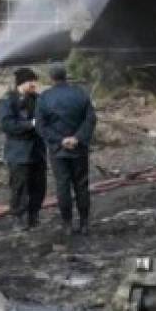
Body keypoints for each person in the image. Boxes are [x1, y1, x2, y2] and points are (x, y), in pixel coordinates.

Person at [35, 63, 97, 235]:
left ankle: (67, 224)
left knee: (62, 186)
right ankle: (84, 223)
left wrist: (60, 140)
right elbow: (91, 119)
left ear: (51, 77)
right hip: (79, 148)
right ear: (66, 75)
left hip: (57, 150)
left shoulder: (45, 98)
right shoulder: (80, 93)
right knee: (82, 185)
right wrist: (77, 137)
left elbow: (41, 126)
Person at [0, 67, 47, 231]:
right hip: (19, 152)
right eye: (31, 81)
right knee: (19, 186)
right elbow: (8, 125)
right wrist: (31, 124)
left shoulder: (38, 99)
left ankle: (34, 215)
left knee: (38, 185)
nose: (34, 84)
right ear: (22, 83)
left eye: (35, 80)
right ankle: (18, 217)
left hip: (37, 151)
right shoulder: (7, 100)